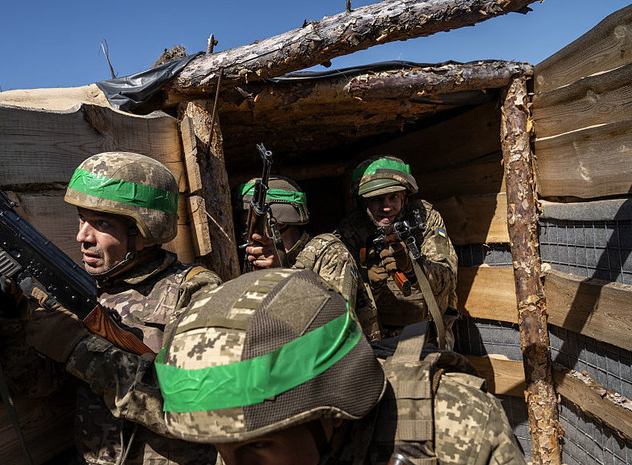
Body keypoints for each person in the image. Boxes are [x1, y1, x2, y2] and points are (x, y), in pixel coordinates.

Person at [155, 268, 525, 465]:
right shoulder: (239, 431)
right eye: (219, 450)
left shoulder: (454, 426)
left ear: (334, 413)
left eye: (261, 445)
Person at [0, 151, 220, 464]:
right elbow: (34, 384)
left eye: (101, 223)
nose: (82, 236)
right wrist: (9, 315)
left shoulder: (195, 292)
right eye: (81, 219)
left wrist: (80, 349)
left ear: (145, 232)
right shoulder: (89, 292)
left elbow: (198, 409)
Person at [335, 155, 458, 347]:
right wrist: (368, 282)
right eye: (376, 200)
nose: (386, 207)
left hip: (428, 337)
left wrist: (412, 268)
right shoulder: (352, 230)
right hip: (376, 339)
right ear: (363, 203)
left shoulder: (424, 219)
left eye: (393, 197)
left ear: (405, 196)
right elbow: (339, 300)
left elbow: (448, 279)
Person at [237, 175, 360, 316]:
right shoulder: (248, 260)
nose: (247, 236)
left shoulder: (329, 253)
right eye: (245, 228)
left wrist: (280, 276)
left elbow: (335, 319)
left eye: (253, 227)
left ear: (280, 223)